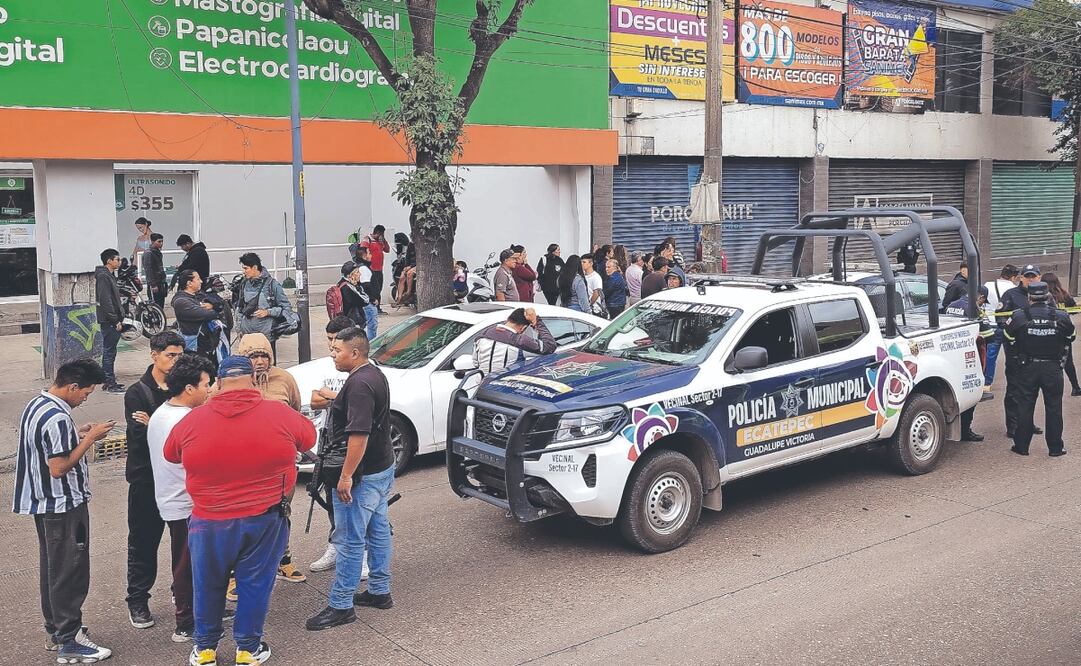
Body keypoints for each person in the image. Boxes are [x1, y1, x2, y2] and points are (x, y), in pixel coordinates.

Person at [165, 355, 315, 666]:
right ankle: (248, 649)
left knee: (207, 584)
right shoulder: (279, 414)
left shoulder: (192, 421)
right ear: (253, 381)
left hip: (208, 520)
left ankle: (204, 649)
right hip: (265, 519)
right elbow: (309, 438)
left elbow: (171, 454)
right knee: (254, 584)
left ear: (218, 383)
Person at [13, 359, 114, 663]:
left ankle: (57, 630)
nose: (86, 397)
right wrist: (89, 439)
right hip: (62, 503)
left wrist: (77, 433)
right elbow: (58, 467)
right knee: (69, 571)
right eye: (86, 392)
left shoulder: (39, 404)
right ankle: (70, 641)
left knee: (53, 569)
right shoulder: (57, 417)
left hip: (43, 503)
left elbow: (47, 447)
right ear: (72, 386)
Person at [306, 328, 396, 631]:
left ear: (354, 353)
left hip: (362, 475)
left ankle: (341, 604)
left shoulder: (358, 384)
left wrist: (345, 477)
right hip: (382, 466)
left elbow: (359, 435)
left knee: (349, 539)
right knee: (378, 529)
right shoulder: (373, 374)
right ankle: (380, 591)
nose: (332, 355)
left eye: (336, 350)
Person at [146, 353, 216, 643]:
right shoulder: (188, 419)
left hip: (174, 499)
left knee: (191, 562)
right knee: (188, 565)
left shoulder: (162, 413)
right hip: (187, 503)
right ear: (189, 388)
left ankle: (196, 612)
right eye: (206, 384)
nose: (210, 389)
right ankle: (185, 622)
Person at [123, 331, 185, 632]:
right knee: (143, 542)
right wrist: (165, 429)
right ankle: (137, 600)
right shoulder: (138, 392)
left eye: (178, 355)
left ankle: (183, 593)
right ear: (154, 356)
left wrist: (156, 423)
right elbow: (140, 437)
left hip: (176, 479)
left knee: (184, 543)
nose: (175, 361)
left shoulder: (181, 388)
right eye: (170, 355)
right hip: (146, 480)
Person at [236, 333, 306, 588]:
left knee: (281, 514)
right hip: (244, 467)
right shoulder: (231, 382)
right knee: (243, 520)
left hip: (280, 466)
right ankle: (236, 573)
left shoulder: (284, 379)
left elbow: (295, 413)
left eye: (264, 355)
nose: (260, 361)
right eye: (253, 356)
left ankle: (282, 560)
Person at [1004, 281, 1075, 457]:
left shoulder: (1018, 316)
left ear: (1029, 297)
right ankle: (1055, 448)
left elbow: (1008, 337)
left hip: (1027, 367)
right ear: (1048, 296)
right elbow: (1071, 337)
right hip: (1053, 368)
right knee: (1054, 408)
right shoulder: (1061, 316)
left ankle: (1022, 446)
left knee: (1025, 407)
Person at [306, 316, 354, 573]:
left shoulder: (362, 368)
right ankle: (336, 545)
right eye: (329, 340)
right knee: (332, 498)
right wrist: (339, 398)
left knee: (358, 499)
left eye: (336, 340)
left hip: (355, 441)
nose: (331, 345)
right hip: (330, 441)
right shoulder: (325, 367)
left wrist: (333, 396)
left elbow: (358, 401)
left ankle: (363, 551)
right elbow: (314, 401)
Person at [1000, 264, 1044, 438]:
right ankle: (1013, 426)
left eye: (1034, 276)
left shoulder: (1045, 296)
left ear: (1039, 278)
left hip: (1037, 353)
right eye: (1028, 276)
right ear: (1021, 278)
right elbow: (1001, 319)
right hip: (1016, 351)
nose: (1031, 279)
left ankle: (1027, 422)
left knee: (1031, 390)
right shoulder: (1010, 295)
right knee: (1014, 390)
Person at [943, 287, 990, 442]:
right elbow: (988, 334)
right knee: (970, 391)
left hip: (950, 354)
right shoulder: (975, 308)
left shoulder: (952, 305)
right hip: (969, 356)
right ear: (981, 297)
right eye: (983, 301)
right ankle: (965, 430)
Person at [473, 307, 558, 377]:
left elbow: (476, 363)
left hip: (480, 388)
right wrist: (536, 321)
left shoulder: (483, 335)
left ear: (508, 319)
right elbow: (549, 346)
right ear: (523, 328)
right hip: (504, 389)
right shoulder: (519, 341)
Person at [234, 252, 293, 350]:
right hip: (247, 335)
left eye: (245, 268)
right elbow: (240, 308)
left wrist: (268, 312)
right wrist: (239, 329)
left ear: (255, 267)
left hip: (267, 335)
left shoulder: (272, 284)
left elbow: (286, 308)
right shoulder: (244, 284)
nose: (243, 272)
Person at [1042, 272, 1081, 396]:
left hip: (1046, 331)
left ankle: (1048, 388)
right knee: (1068, 362)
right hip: (1064, 331)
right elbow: (1074, 309)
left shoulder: (1041, 296)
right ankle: (1075, 387)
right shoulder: (1064, 294)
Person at [983, 264, 1020, 393]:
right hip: (1008, 326)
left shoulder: (988, 285)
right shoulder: (1014, 289)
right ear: (1013, 277)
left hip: (990, 325)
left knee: (990, 355)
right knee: (1012, 355)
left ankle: (986, 383)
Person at [95, 248, 126, 393]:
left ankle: (109, 381)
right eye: (117, 259)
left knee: (110, 351)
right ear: (109, 261)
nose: (119, 262)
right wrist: (115, 320)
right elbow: (105, 300)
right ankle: (109, 382)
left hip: (112, 319)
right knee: (109, 351)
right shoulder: (103, 276)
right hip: (109, 321)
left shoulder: (109, 275)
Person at [172, 270, 217, 352]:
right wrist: (214, 309)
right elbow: (208, 315)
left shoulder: (198, 295)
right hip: (194, 347)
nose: (201, 281)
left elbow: (218, 302)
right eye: (198, 279)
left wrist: (213, 305)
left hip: (205, 343)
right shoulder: (181, 302)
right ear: (189, 283)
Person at [360, 225, 391, 312]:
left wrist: (384, 240)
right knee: (372, 289)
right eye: (381, 234)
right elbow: (362, 251)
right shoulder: (367, 239)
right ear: (377, 233)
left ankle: (377, 308)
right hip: (371, 269)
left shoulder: (381, 241)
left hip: (379, 269)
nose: (382, 236)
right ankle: (371, 307)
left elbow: (387, 250)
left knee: (378, 289)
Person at [355, 247, 380, 341]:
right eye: (369, 253)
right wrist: (373, 299)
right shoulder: (364, 269)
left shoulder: (363, 267)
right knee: (372, 325)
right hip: (368, 303)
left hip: (367, 302)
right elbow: (366, 287)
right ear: (364, 256)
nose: (371, 255)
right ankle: (370, 345)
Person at [337, 261, 369, 332]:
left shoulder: (341, 284)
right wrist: (358, 287)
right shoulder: (348, 288)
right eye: (357, 272)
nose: (360, 274)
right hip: (353, 321)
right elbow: (365, 300)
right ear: (349, 276)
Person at [142, 233, 167, 310]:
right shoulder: (148, 253)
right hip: (155, 283)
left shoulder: (157, 252)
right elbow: (148, 269)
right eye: (159, 242)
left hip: (161, 281)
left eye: (162, 241)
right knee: (155, 305)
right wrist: (153, 284)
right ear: (152, 241)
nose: (161, 244)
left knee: (160, 304)